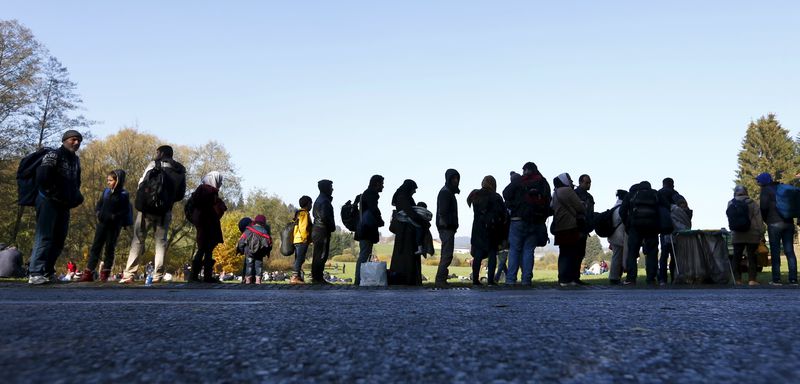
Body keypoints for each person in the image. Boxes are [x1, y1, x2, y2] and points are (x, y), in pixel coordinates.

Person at [120, 145, 186, 284]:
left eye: (157, 152)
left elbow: (141, 184)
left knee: (138, 239)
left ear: (161, 153)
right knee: (161, 242)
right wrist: (167, 200)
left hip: (146, 209)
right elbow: (180, 194)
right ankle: (158, 275)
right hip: (165, 210)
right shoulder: (179, 171)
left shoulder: (153, 164)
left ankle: (129, 274)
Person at [28, 130, 84, 285]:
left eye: (79, 141)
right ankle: (35, 272)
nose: (77, 143)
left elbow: (76, 182)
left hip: (64, 204)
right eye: (73, 139)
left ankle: (47, 271)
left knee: (59, 238)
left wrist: (76, 197)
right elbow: (42, 176)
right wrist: (53, 193)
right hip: (48, 201)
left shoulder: (76, 160)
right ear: (65, 140)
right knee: (45, 236)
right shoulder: (53, 155)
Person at [502, 162, 552, 286]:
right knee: (529, 250)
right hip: (535, 221)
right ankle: (526, 280)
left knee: (514, 250)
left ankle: (510, 280)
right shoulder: (542, 182)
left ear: (524, 170)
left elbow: (506, 193)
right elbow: (548, 201)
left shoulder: (519, 181)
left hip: (517, 219)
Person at [81, 170, 130, 282]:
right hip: (102, 224)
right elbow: (99, 204)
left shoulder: (123, 195)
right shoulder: (106, 192)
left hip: (113, 226)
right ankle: (88, 272)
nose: (108, 182)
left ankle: (105, 273)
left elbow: (125, 211)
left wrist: (114, 217)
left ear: (118, 180)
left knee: (109, 248)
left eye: (111, 180)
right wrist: (98, 212)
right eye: (107, 180)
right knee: (95, 248)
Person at [757, 172, 797, 285]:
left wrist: (766, 220)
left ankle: (776, 279)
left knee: (775, 251)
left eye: (759, 181)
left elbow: (763, 208)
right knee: (789, 251)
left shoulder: (765, 191)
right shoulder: (781, 188)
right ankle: (793, 279)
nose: (758, 184)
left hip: (774, 223)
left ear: (763, 182)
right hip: (788, 222)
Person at [467, 176, 507, 286]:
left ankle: (475, 280)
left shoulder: (475, 195)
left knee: (478, 255)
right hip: (492, 229)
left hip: (478, 228)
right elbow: (503, 214)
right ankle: (490, 281)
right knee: (492, 254)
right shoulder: (496, 196)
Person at [187, 172, 227, 283]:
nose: (220, 183)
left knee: (205, 249)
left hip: (203, 223)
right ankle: (200, 276)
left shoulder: (202, 190)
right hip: (207, 223)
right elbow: (209, 209)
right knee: (205, 249)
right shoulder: (209, 192)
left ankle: (199, 276)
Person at [620, 181, 662, 285]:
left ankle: (631, 278)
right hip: (652, 227)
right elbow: (664, 209)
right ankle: (651, 278)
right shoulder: (655, 194)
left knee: (632, 253)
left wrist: (628, 224)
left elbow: (622, 211)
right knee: (652, 252)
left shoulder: (631, 195)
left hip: (635, 227)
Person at [389, 180, 429, 286]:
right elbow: (410, 212)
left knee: (405, 257)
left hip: (405, 231)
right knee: (407, 258)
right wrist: (421, 221)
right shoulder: (403, 197)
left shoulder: (402, 196)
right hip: (406, 232)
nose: (415, 191)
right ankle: (407, 280)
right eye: (414, 189)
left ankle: (408, 279)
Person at [550, 173, 586, 286]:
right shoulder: (568, 191)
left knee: (563, 253)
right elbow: (579, 207)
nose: (571, 181)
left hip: (559, 227)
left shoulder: (555, 192)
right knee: (571, 253)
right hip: (570, 225)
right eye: (569, 179)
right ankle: (569, 279)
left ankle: (562, 278)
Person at [728, 186, 765, 285]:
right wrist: (762, 232)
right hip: (752, 233)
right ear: (746, 192)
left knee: (737, 257)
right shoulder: (752, 203)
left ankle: (737, 280)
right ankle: (752, 280)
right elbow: (759, 219)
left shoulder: (731, 203)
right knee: (752, 256)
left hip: (737, 234)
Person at [354, 175, 385, 286]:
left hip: (363, 228)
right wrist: (380, 220)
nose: (383, 186)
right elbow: (373, 209)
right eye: (382, 184)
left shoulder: (366, 194)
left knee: (365, 254)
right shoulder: (371, 194)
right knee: (364, 255)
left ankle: (359, 280)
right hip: (366, 229)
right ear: (376, 184)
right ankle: (358, 280)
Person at [659, 195, 692, 285]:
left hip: (670, 236)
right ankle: (672, 277)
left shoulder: (670, 210)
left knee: (668, 257)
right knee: (673, 257)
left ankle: (665, 278)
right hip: (675, 237)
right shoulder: (684, 213)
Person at [435, 169, 460, 288]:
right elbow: (444, 212)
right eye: (453, 178)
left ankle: (441, 279)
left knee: (446, 254)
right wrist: (451, 224)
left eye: (457, 178)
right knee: (447, 254)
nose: (456, 181)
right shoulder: (446, 192)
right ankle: (440, 279)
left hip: (446, 227)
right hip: (446, 227)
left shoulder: (447, 191)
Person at [237, 215, 272, 284]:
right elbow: (269, 244)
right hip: (260, 253)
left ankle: (248, 280)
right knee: (259, 266)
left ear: (255, 221)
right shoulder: (265, 231)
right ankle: (258, 280)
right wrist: (266, 253)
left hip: (249, 252)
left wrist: (241, 250)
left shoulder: (248, 230)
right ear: (263, 223)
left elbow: (241, 241)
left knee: (249, 265)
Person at [311, 180, 335, 284]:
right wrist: (332, 226)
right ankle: (318, 278)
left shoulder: (320, 199)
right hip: (322, 230)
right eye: (331, 187)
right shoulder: (324, 201)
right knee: (321, 254)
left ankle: (317, 277)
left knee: (318, 254)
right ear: (326, 188)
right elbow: (325, 216)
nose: (332, 189)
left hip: (318, 229)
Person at [574, 174, 595, 285]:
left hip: (584, 228)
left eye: (589, 182)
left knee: (580, 253)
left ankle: (576, 277)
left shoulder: (589, 197)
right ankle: (572, 277)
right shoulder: (575, 194)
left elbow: (590, 213)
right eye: (587, 182)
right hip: (576, 227)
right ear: (581, 182)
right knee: (574, 253)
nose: (589, 184)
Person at [608, 190, 628, 285]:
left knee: (616, 257)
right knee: (617, 257)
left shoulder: (614, 207)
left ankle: (615, 277)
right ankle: (614, 277)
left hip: (613, 236)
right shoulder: (621, 208)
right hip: (619, 236)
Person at [291, 196, 313, 284]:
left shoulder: (298, 213)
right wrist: (305, 239)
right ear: (308, 204)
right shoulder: (304, 214)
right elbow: (303, 228)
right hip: (301, 239)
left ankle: (298, 277)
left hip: (296, 239)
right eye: (311, 204)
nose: (311, 206)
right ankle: (295, 277)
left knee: (298, 258)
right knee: (300, 259)